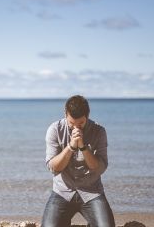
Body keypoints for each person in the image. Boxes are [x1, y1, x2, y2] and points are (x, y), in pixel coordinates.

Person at [41, 95, 115, 227]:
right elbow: (53, 167)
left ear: (87, 116)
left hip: (92, 191)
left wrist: (83, 147)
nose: (76, 128)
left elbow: (99, 169)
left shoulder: (99, 131)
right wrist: (70, 147)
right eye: (71, 123)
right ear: (65, 114)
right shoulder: (55, 129)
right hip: (62, 192)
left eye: (80, 123)